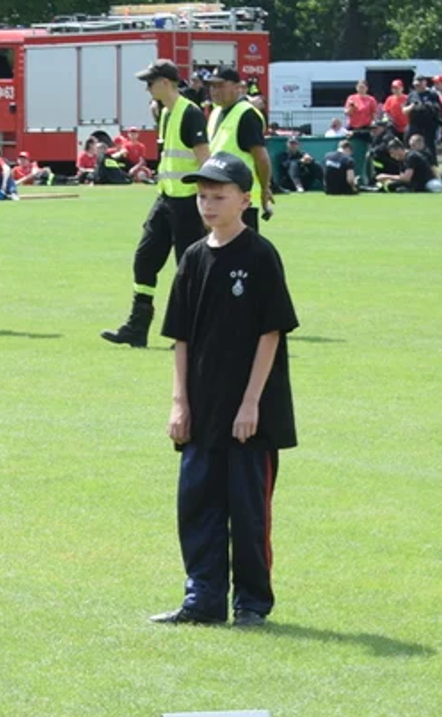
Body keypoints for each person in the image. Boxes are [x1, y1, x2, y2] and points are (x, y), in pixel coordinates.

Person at [151, 152, 297, 628]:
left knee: (249, 513)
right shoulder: (193, 258)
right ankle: (203, 600)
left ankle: (251, 604)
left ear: (245, 199)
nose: (208, 205)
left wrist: (251, 402)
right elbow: (181, 337)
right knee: (197, 507)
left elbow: (270, 333)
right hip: (203, 410)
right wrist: (179, 402)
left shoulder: (259, 256)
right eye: (202, 196)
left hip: (250, 414)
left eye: (219, 196)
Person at [103, 59, 210, 349]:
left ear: (165, 82)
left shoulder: (191, 114)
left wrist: (207, 201)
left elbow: (204, 159)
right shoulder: (165, 113)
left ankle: (189, 333)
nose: (147, 88)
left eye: (150, 82)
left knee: (186, 270)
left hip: (188, 202)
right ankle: (138, 327)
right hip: (166, 199)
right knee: (144, 259)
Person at [205, 67, 271, 230]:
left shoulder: (247, 114)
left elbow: (261, 157)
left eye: (220, 86)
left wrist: (265, 189)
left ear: (237, 87)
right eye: (212, 86)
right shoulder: (216, 112)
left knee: (243, 252)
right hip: (218, 195)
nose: (214, 91)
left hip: (241, 199)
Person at [375, 136, 442, 193]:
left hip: (427, 182)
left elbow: (406, 178)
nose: (392, 156)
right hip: (415, 182)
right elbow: (402, 177)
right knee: (391, 185)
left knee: (435, 188)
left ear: (399, 149)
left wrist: (386, 176)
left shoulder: (411, 157)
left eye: (392, 153)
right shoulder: (401, 159)